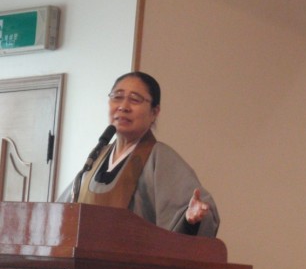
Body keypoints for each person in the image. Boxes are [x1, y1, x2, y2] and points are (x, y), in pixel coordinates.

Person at [57, 71, 219, 237]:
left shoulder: (160, 158)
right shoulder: (96, 158)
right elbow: (60, 214)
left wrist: (189, 220)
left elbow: (199, 211)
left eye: (135, 100)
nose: (123, 106)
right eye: (117, 97)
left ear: (154, 112)